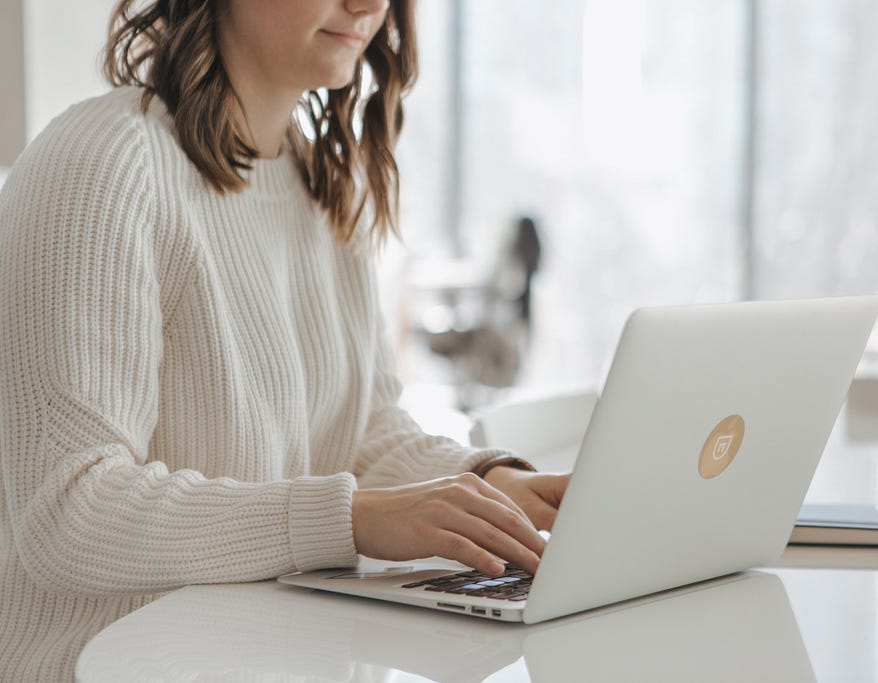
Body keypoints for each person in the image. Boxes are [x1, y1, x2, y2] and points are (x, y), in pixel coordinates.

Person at [0, 0, 569, 679]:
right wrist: (349, 518)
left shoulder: (324, 181)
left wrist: (488, 485)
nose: (368, 5)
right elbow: (69, 511)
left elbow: (364, 432)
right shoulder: (103, 164)